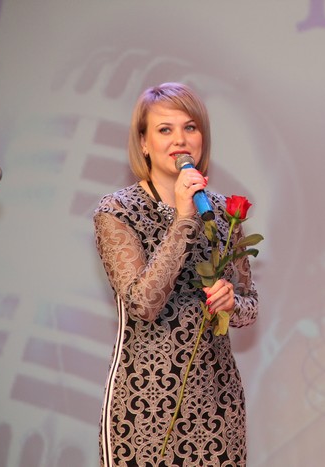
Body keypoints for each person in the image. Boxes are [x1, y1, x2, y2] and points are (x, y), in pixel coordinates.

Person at [94, 82, 258, 466]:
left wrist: (231, 303)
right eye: (165, 129)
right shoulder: (118, 211)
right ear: (144, 143)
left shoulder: (222, 211)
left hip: (217, 404)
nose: (180, 139)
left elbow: (250, 306)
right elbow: (144, 303)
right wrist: (184, 219)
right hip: (145, 402)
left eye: (190, 127)